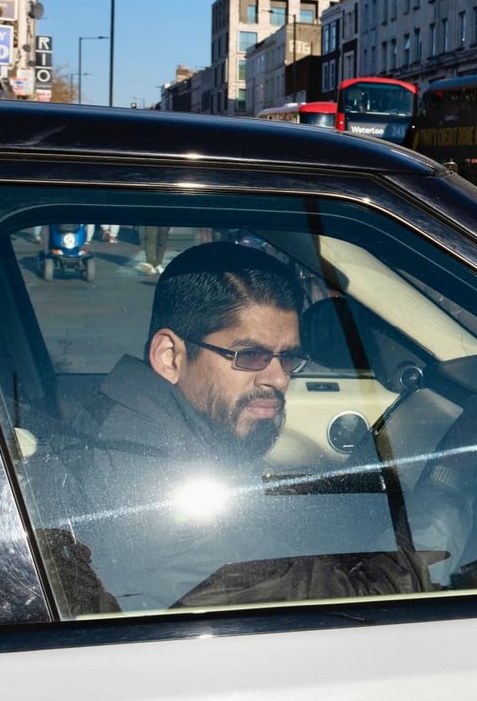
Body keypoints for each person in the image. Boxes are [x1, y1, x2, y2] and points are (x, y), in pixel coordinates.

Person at [24, 243, 422, 612]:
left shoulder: (127, 426)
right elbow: (373, 609)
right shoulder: (167, 499)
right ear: (170, 356)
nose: (279, 379)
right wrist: (445, 483)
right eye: (250, 355)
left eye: (288, 358)